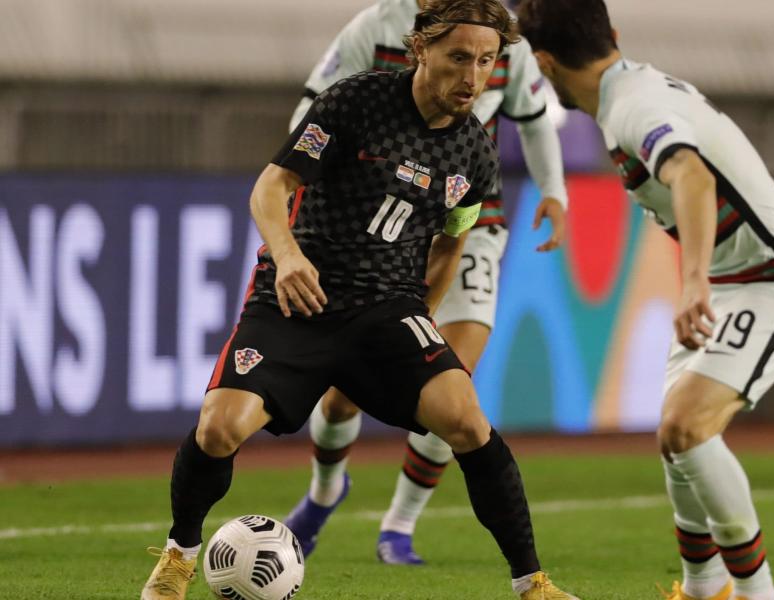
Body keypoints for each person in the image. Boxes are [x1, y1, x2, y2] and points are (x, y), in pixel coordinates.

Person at [139, 1, 579, 598]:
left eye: (485, 61)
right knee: (219, 429)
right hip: (299, 297)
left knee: (469, 421)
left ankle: (533, 584)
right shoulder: (355, 102)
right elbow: (271, 188)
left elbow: (454, 239)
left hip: (388, 310)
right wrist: (289, 256)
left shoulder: (475, 150)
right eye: (458, 58)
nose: (473, 77)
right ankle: (179, 554)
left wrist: (422, 311)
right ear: (420, 49)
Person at [516, 2, 774, 600]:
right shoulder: (624, 93)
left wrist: (692, 283)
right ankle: (704, 587)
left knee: (687, 425)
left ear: (543, 61)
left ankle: (758, 594)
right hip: (736, 278)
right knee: (674, 433)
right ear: (611, 35)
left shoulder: (635, 106)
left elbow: (692, 175)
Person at [282, 0, 569, 566]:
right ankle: (324, 492)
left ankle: (400, 525)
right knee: (341, 398)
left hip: (470, 226)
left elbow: (534, 122)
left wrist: (555, 192)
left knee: (454, 383)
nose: (474, 68)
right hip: (382, 228)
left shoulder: (503, 39)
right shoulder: (376, 26)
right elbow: (310, 112)